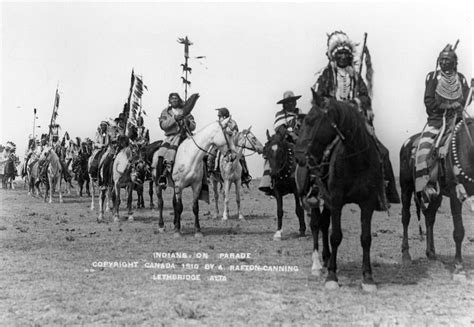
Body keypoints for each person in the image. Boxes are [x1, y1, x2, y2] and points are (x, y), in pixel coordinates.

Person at [309, 30, 400, 208]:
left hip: (355, 122)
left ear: (350, 57)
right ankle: (315, 189)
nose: (343, 57)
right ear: (334, 57)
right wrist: (335, 106)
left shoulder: (356, 77)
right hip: (334, 122)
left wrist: (355, 103)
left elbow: (366, 97)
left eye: (346, 54)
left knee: (382, 151)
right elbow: (319, 98)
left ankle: (383, 190)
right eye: (339, 54)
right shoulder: (326, 76)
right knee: (317, 150)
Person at [415, 43, 470, 201]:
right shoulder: (433, 77)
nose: (444, 63)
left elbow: (465, 98)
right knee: (424, 148)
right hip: (438, 121)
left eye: (448, 60)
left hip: (458, 120)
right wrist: (446, 106)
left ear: (455, 63)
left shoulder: (460, 78)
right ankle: (427, 185)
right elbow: (429, 101)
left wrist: (470, 93)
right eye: (442, 60)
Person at [258, 91, 304, 195]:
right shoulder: (280, 115)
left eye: (293, 101)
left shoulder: (300, 113)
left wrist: (300, 136)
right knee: (271, 154)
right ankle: (267, 182)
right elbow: (279, 128)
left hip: (300, 140)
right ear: (284, 104)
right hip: (284, 140)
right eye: (288, 102)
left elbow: (304, 126)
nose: (291, 104)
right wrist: (291, 135)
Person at [154, 92, 196, 188]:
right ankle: (162, 177)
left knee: (200, 152)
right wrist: (174, 119)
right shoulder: (165, 112)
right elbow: (163, 125)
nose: (174, 100)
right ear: (169, 101)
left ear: (179, 99)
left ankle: (202, 178)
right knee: (162, 153)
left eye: (176, 98)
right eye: (172, 98)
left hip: (186, 135)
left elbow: (194, 126)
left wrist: (188, 122)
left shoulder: (186, 111)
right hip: (171, 137)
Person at [207, 107, 252, 186]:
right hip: (219, 143)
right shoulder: (218, 123)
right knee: (211, 154)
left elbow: (235, 133)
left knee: (241, 157)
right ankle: (210, 172)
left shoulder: (232, 123)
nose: (218, 117)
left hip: (231, 143)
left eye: (219, 116)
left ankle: (245, 175)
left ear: (224, 116)